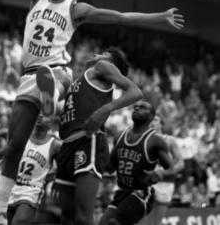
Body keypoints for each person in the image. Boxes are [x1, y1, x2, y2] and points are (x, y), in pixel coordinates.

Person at [0, 0, 184, 225]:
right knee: (13, 147)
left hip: (57, 70)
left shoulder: (75, 9)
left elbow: (121, 17)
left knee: (62, 77)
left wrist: (159, 17)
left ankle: (53, 95)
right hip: (32, 77)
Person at [55, 47, 142, 225]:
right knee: (66, 218)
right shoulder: (80, 80)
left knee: (83, 217)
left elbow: (136, 92)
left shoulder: (102, 67)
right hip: (67, 146)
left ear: (111, 63)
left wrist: (105, 109)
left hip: (88, 141)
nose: (98, 54)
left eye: (105, 53)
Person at [0, 115, 60, 225]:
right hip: (10, 187)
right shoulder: (22, 138)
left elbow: (64, 166)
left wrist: (55, 179)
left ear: (50, 124)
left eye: (44, 116)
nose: (39, 116)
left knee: (18, 222)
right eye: (38, 114)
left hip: (32, 190)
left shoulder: (54, 145)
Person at [99, 100, 173, 225]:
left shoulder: (156, 140)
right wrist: (99, 148)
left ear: (151, 116)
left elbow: (169, 166)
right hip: (122, 192)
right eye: (135, 107)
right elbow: (110, 167)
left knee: (115, 222)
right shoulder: (119, 136)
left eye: (142, 107)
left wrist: (159, 173)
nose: (137, 109)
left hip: (141, 194)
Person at [140, 114, 184, 225]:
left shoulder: (169, 140)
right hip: (146, 182)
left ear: (161, 125)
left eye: (155, 120)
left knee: (156, 221)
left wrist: (164, 172)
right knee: (141, 219)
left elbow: (181, 163)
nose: (152, 122)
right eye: (150, 120)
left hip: (165, 182)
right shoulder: (141, 140)